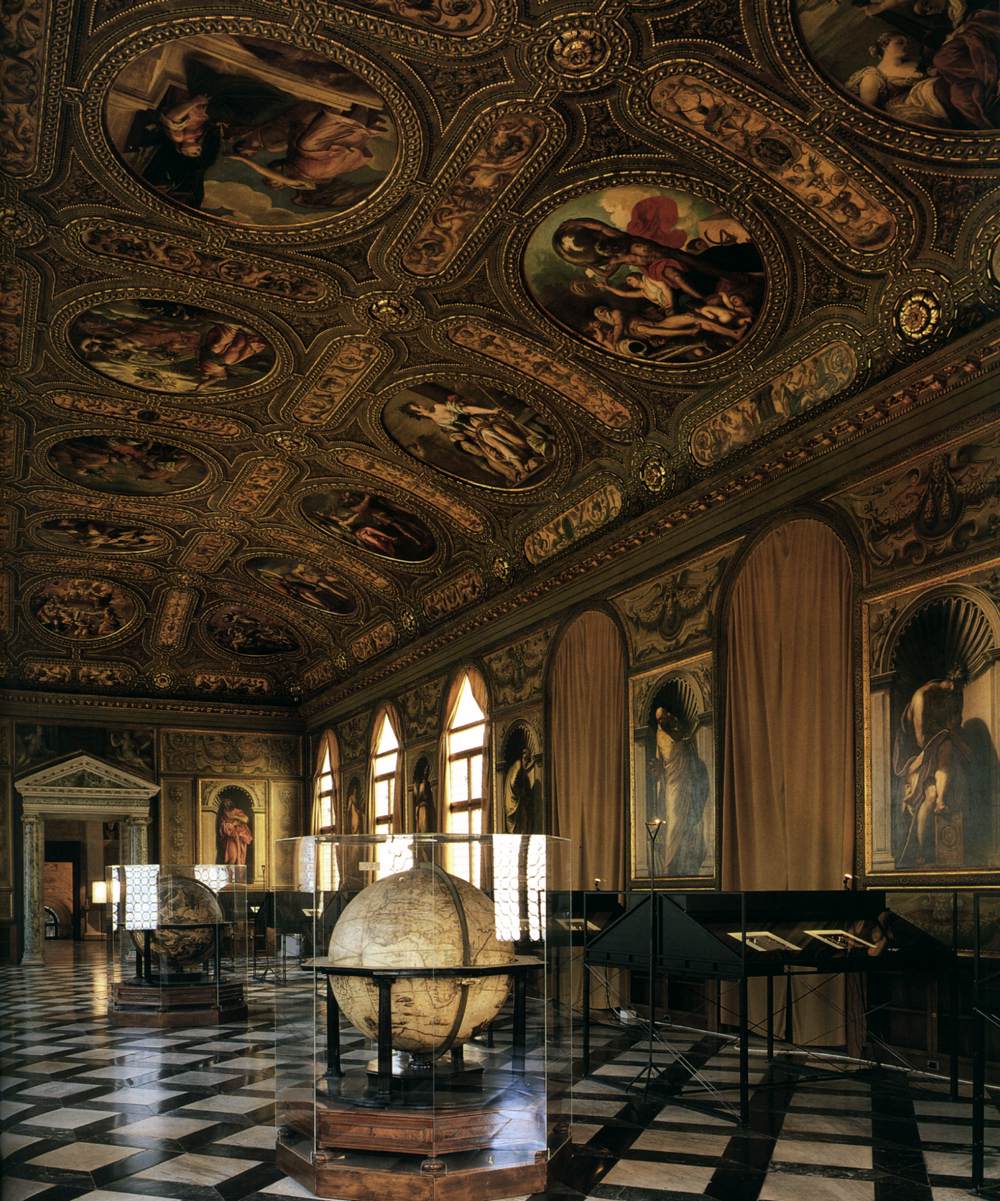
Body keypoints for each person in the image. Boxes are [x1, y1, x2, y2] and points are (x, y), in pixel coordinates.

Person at [893, 672, 972, 866]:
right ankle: (921, 851)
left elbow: (952, 726)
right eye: (956, 688)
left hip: (933, 755)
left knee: (934, 792)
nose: (956, 693)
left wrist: (951, 737)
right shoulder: (921, 697)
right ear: (951, 682)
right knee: (931, 793)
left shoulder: (945, 697)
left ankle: (940, 804)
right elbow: (921, 739)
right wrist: (945, 736)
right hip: (914, 760)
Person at [652, 706, 709, 877]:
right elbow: (660, 763)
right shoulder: (660, 736)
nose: (663, 721)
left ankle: (683, 864)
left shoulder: (679, 730)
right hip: (672, 782)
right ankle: (669, 865)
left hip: (686, 781)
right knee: (675, 821)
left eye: (664, 716)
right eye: (660, 719)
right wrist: (657, 770)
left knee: (687, 821)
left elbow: (691, 753)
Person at [218, 797, 253, 866]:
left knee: (241, 857)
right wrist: (230, 825)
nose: (226, 811)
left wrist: (235, 817)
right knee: (232, 857)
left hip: (240, 837)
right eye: (225, 809)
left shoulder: (237, 811)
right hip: (230, 838)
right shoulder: (224, 815)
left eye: (228, 808)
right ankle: (230, 873)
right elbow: (223, 826)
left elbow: (246, 820)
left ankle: (238, 872)